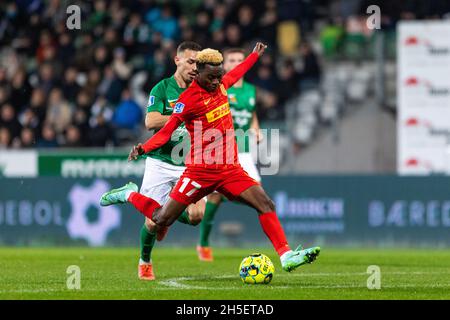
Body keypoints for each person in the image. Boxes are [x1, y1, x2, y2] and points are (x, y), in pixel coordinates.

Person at [100, 43, 320, 273]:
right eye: (212, 77)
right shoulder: (188, 100)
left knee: (265, 203)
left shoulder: (222, 85)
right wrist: (144, 148)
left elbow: (238, 72)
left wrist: (254, 55)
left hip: (229, 169)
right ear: (199, 72)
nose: (217, 82)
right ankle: (128, 194)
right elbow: (166, 132)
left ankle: (286, 256)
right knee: (160, 218)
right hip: (200, 172)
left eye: (219, 76)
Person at [116, 41, 206, 281]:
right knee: (153, 223)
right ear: (177, 60)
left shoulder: (203, 88)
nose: (195, 67)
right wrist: (182, 115)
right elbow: (150, 121)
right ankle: (145, 260)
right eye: (190, 61)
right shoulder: (162, 88)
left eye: (198, 63)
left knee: (197, 216)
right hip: (161, 161)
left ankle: (168, 215)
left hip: (191, 164)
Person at [196, 48, 263, 262]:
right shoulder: (220, 87)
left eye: (239, 60)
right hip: (221, 149)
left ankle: (226, 193)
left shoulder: (251, 90)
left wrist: (256, 129)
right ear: (224, 64)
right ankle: (204, 244)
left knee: (258, 195)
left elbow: (251, 113)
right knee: (218, 195)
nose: (235, 63)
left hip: (244, 150)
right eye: (231, 60)